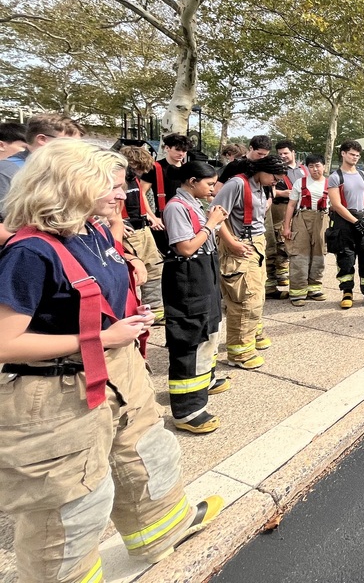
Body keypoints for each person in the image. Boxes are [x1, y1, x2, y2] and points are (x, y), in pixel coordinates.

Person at [0, 139, 222, 580]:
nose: (124, 196)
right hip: (58, 391)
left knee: (147, 454)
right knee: (70, 498)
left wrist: (128, 281)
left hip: (119, 371)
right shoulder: (29, 253)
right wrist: (102, 336)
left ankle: (163, 531)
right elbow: (6, 343)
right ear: (73, 186)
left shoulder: (95, 229)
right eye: (113, 188)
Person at [162, 160, 230, 434]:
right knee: (190, 338)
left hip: (205, 275)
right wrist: (211, 224)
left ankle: (205, 380)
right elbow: (186, 248)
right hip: (188, 280)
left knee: (209, 330)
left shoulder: (195, 205)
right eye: (209, 184)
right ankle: (188, 410)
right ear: (191, 181)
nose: (213, 189)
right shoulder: (176, 208)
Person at [210, 154, 289, 369]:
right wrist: (232, 243)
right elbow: (215, 215)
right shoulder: (236, 184)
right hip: (239, 247)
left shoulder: (262, 187)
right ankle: (240, 353)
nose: (276, 182)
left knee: (256, 293)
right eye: (275, 177)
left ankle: (251, 336)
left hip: (256, 244)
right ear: (261, 170)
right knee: (244, 299)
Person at [0, 113, 83, 244]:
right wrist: (45, 244)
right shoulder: (6, 172)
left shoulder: (58, 171)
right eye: (69, 144)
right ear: (42, 139)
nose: (76, 151)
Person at [325, 140, 364, 309]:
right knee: (346, 258)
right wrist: (355, 221)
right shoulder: (335, 177)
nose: (355, 157)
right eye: (351, 154)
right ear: (343, 154)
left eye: (357, 155)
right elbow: (336, 204)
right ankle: (347, 292)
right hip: (345, 222)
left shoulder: (363, 176)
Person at [118, 146, 167, 323]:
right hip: (127, 232)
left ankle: (155, 310)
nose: (139, 173)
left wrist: (150, 217)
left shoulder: (135, 180)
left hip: (143, 228)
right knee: (129, 274)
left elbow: (140, 201)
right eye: (137, 168)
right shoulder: (113, 181)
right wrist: (117, 223)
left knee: (154, 268)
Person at [282, 154, 329, 307]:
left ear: (324, 166)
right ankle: (297, 292)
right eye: (311, 166)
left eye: (318, 165)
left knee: (319, 254)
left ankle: (314, 289)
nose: (315, 169)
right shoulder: (300, 182)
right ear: (307, 168)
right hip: (302, 218)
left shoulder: (330, 184)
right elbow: (290, 205)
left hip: (322, 219)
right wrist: (287, 227)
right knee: (299, 255)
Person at [138, 132, 191, 253]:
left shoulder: (187, 169)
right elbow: (141, 192)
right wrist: (152, 217)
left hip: (184, 218)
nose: (181, 153)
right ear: (167, 148)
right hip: (162, 220)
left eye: (184, 150)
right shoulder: (155, 167)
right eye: (177, 149)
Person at [264, 139, 300, 298]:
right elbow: (269, 191)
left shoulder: (303, 170)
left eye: (286, 153)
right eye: (280, 154)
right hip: (279, 208)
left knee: (294, 243)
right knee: (278, 242)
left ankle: (284, 274)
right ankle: (273, 280)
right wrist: (283, 193)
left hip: (299, 210)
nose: (283, 156)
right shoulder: (274, 170)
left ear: (293, 152)